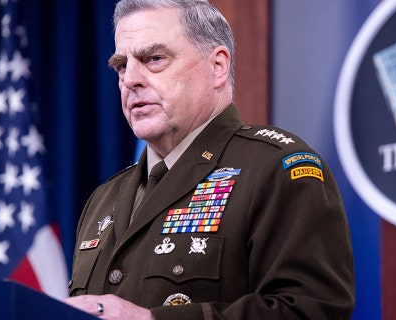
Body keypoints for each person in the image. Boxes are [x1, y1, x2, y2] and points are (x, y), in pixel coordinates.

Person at [63, 0, 355, 319]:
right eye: (121, 65)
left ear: (217, 66)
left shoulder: (276, 169)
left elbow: (311, 310)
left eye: (154, 59)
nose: (130, 79)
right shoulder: (104, 199)